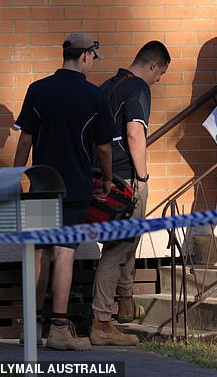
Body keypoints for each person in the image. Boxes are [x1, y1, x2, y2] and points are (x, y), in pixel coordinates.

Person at [13, 33, 118, 350]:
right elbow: (104, 148)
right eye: (92, 59)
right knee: (64, 254)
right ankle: (59, 328)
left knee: (38, 253)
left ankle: (31, 326)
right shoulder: (93, 95)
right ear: (85, 56)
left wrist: (16, 177)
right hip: (75, 188)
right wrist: (108, 179)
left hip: (42, 183)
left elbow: (25, 140)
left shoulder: (38, 90)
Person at [90, 41, 171, 346]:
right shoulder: (138, 88)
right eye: (160, 73)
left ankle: (124, 303)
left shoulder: (108, 86)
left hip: (101, 173)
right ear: (153, 65)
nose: (158, 79)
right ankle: (101, 321)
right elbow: (135, 132)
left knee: (126, 242)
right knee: (117, 247)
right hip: (125, 178)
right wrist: (143, 176)